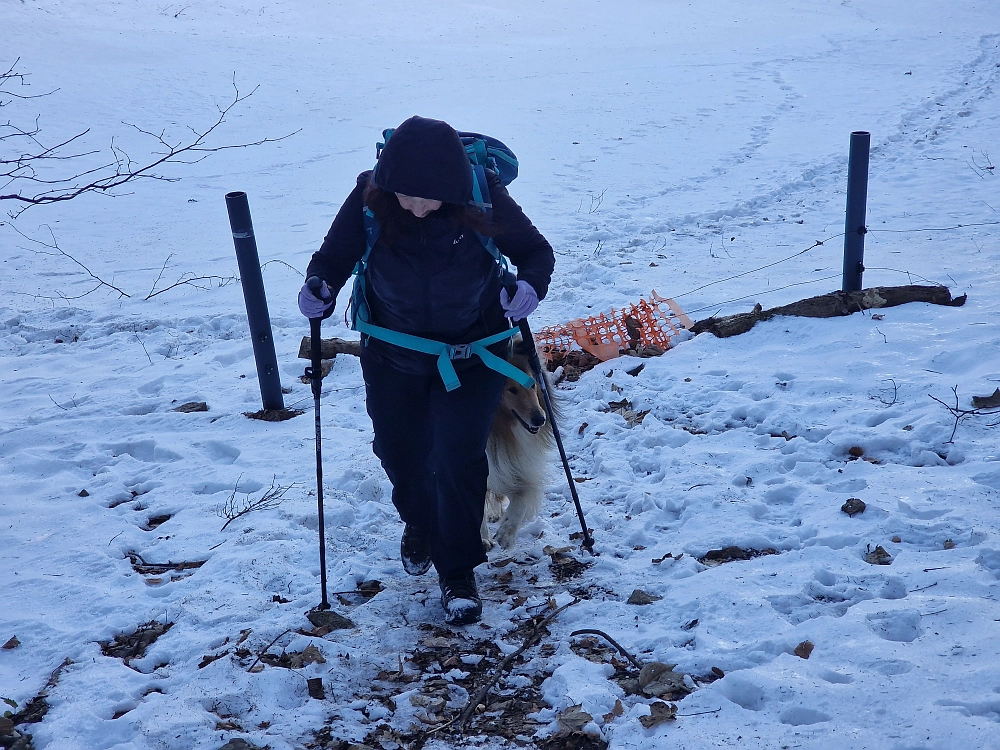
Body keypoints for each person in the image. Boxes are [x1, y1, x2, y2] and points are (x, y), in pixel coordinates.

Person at [298, 116, 555, 625]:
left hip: (475, 353)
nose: (412, 207)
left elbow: (534, 252)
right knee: (400, 453)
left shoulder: (483, 198)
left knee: (457, 459)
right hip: (393, 355)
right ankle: (419, 522)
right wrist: (318, 286)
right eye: (403, 195)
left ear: (452, 189)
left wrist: (529, 287)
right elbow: (333, 257)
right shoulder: (373, 199)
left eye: (425, 197)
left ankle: (457, 571)